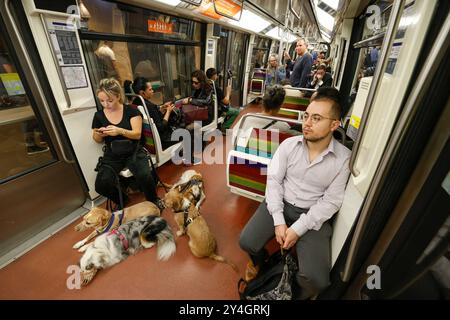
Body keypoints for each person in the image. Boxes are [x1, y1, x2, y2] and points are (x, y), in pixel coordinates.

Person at [239, 87, 351, 299]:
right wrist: (279, 220)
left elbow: (331, 201)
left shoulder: (344, 159)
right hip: (281, 201)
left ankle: (290, 293)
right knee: (246, 241)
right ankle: (260, 262)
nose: (307, 123)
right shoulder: (288, 145)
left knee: (316, 280)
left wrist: (298, 228)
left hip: (312, 213)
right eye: (306, 116)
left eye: (316, 118)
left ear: (334, 125)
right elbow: (273, 182)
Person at [91, 78, 163, 210]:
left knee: (144, 175)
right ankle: (123, 199)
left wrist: (119, 130)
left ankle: (153, 199)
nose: (105, 104)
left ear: (118, 96)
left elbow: (137, 134)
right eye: (102, 101)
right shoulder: (99, 116)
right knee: (101, 184)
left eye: (109, 100)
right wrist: (98, 134)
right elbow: (97, 139)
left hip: (133, 150)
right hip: (112, 153)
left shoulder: (131, 110)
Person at [124, 77, 179, 150]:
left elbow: (152, 115)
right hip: (163, 140)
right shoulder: (150, 106)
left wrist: (161, 108)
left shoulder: (136, 102)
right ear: (142, 92)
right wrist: (168, 111)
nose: (153, 91)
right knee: (188, 132)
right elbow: (161, 127)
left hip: (147, 141)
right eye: (150, 89)